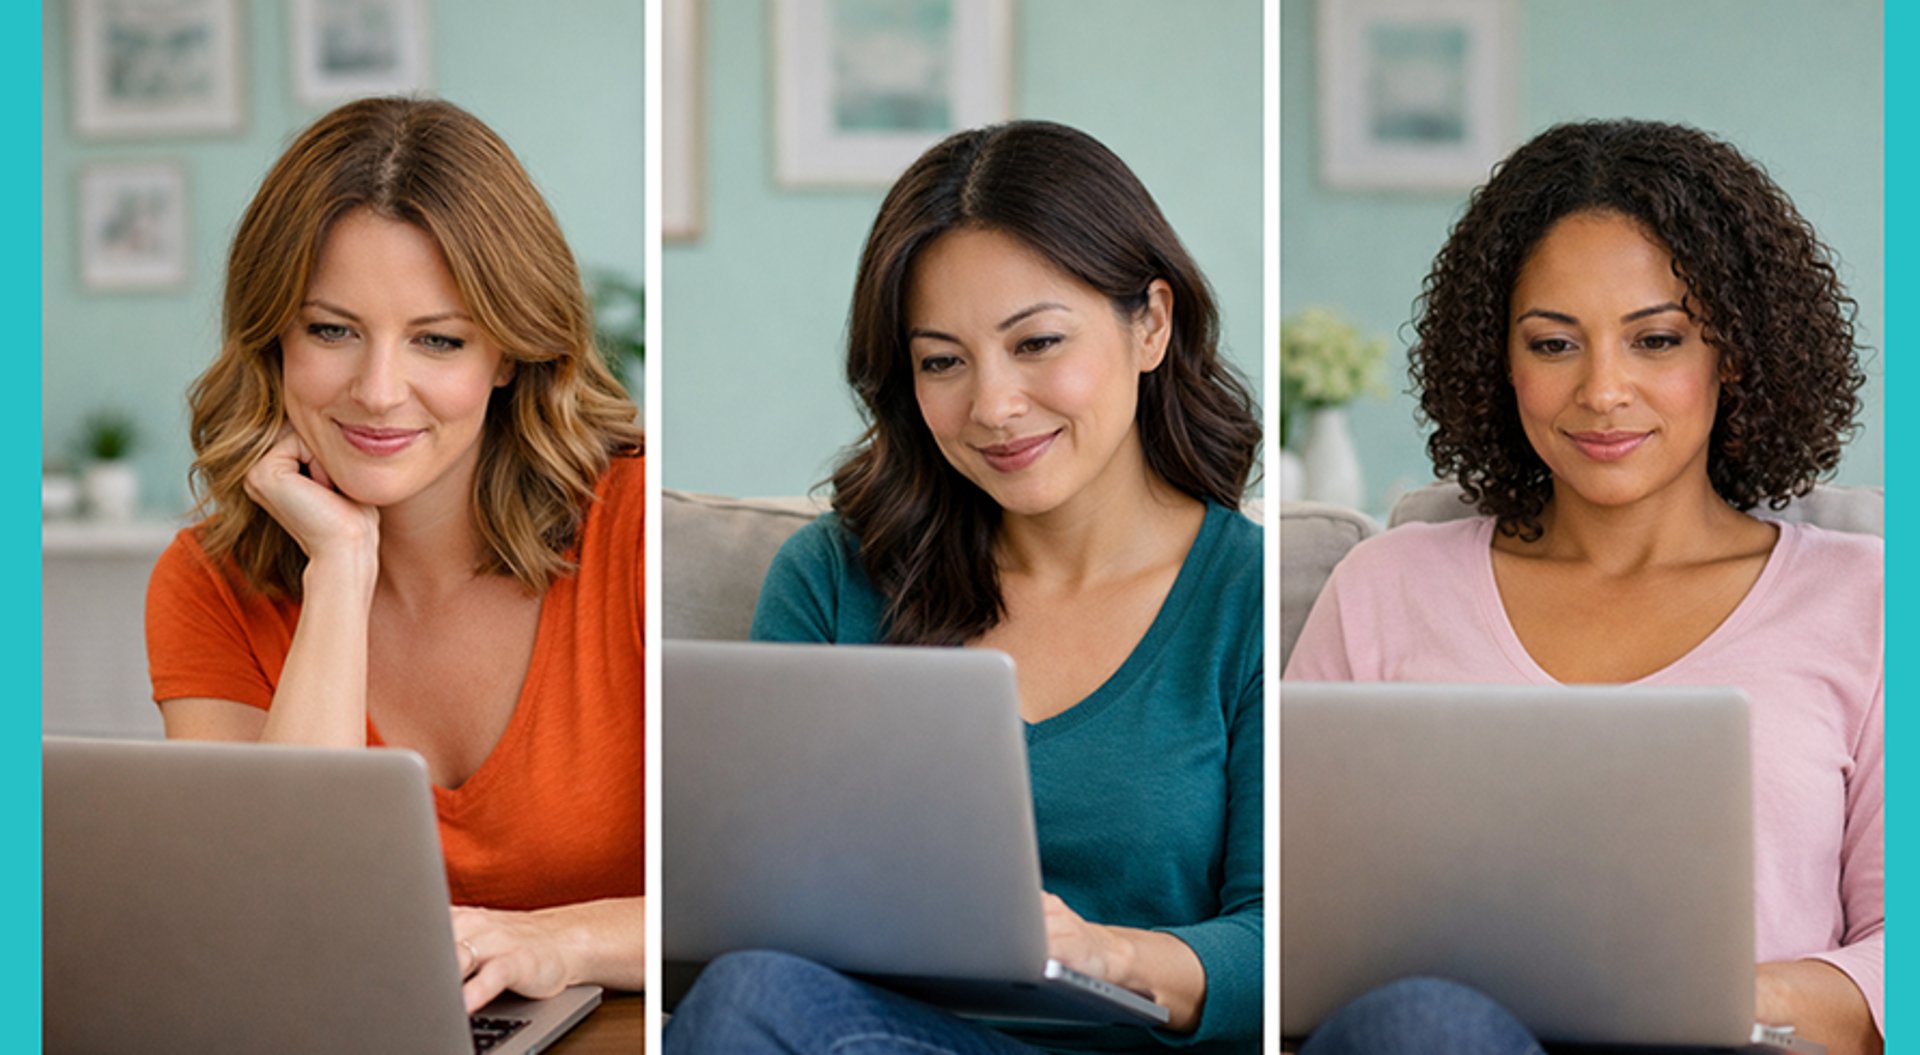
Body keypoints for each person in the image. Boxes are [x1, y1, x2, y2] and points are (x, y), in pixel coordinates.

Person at [663, 121, 1264, 1054]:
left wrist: (1109, 953)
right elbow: (752, 908)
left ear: (1151, 322)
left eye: (1037, 342)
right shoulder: (830, 580)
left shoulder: (1244, 597)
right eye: (942, 360)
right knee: (750, 993)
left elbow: (1281, 939)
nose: (993, 406)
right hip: (883, 1039)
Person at [1285, 119, 1881, 1055]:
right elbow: (1285, 916)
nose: (1603, 390)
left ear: (1733, 352)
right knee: (1424, 1024)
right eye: (1555, 344)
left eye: (1657, 339)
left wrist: (1694, 993)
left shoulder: (1870, 603)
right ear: (1501, 360)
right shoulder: (1385, 588)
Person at [144, 97, 646, 1013]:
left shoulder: (634, 528)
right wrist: (340, 567)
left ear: (508, 353)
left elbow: (753, 903)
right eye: (331, 330)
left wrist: (559, 940)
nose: (378, 391)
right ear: (274, 337)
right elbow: (273, 921)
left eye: (438, 340)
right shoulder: (207, 581)